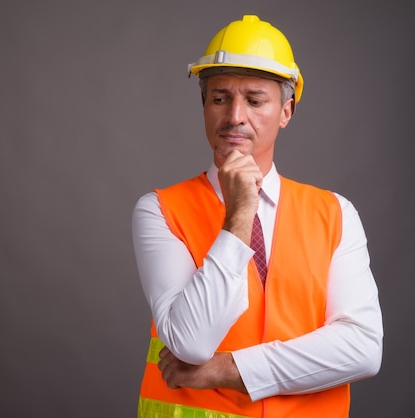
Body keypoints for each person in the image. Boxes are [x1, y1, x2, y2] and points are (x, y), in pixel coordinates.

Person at [131, 15, 383, 418]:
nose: (234, 116)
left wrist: (228, 369)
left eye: (254, 99)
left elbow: (363, 349)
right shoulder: (160, 209)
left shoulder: (335, 214)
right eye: (219, 98)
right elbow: (190, 342)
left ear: (286, 111)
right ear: (204, 107)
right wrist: (240, 212)